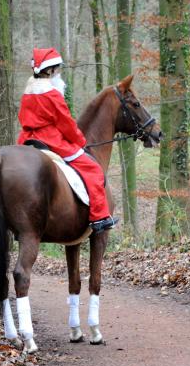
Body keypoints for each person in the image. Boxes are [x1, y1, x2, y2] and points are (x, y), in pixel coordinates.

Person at [16, 47, 118, 234]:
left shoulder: (27, 92)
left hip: (27, 138)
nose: (59, 72)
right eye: (57, 68)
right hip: (51, 139)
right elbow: (66, 124)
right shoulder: (52, 94)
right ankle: (99, 218)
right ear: (51, 70)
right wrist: (79, 140)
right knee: (93, 169)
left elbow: (22, 117)